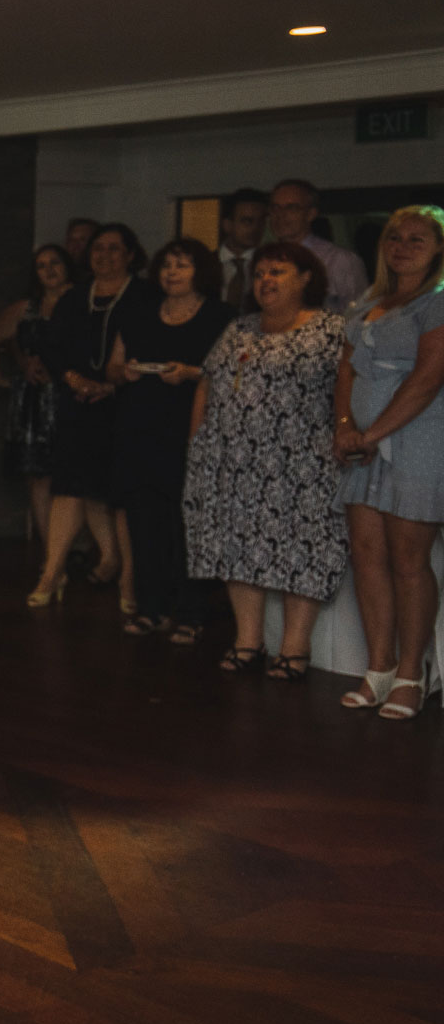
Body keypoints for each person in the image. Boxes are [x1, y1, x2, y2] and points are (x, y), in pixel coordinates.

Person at [183, 242, 348, 681]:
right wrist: (197, 440)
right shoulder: (240, 329)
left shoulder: (332, 329)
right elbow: (207, 383)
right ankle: (247, 641)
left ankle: (294, 649)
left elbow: (348, 391)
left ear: (306, 278)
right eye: (259, 273)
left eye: (278, 271)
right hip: (234, 463)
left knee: (304, 552)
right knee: (237, 549)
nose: (265, 281)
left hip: (304, 465)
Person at [334, 205, 444, 720]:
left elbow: (427, 379)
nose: (401, 246)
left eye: (416, 239)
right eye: (394, 237)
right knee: (367, 554)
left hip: (416, 440)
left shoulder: (437, 303)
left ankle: (410, 673)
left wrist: (371, 434)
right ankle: (377, 667)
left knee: (407, 560)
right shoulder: (370, 302)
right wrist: (343, 429)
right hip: (360, 443)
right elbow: (346, 373)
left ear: (439, 247)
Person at [106, 238, 232, 641]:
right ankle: (152, 607)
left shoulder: (222, 317)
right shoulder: (139, 313)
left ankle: (192, 611)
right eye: (167, 265)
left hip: (191, 428)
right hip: (140, 427)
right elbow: (111, 366)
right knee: (145, 521)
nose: (172, 273)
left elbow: (232, 375)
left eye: (182, 265)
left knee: (188, 523)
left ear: (202, 272)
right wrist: (123, 373)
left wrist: (191, 372)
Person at [28, 223, 153, 609]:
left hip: (126, 406)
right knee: (69, 486)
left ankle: (127, 576)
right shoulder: (75, 297)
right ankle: (52, 572)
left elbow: (150, 348)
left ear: (131, 254)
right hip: (77, 402)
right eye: (98, 249)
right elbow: (53, 346)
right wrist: (72, 379)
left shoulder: (145, 296)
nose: (104, 256)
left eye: (115, 249)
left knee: (112, 493)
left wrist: (110, 386)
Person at [0, 245, 73, 547]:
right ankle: (51, 553)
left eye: (55, 263)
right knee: (38, 479)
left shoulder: (81, 302)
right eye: (41, 265)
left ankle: (75, 549)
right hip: (33, 401)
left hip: (69, 396)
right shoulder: (27, 308)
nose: (49, 270)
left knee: (71, 476)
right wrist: (10, 368)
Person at [270, 177, 368, 313]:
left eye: (291, 208)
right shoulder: (265, 259)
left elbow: (359, 314)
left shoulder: (339, 260)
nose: (280, 215)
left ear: (310, 214)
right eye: (275, 208)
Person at [215, 187, 268, 312]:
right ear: (228, 225)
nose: (255, 228)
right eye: (247, 221)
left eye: (261, 222)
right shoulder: (203, 263)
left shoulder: (267, 264)